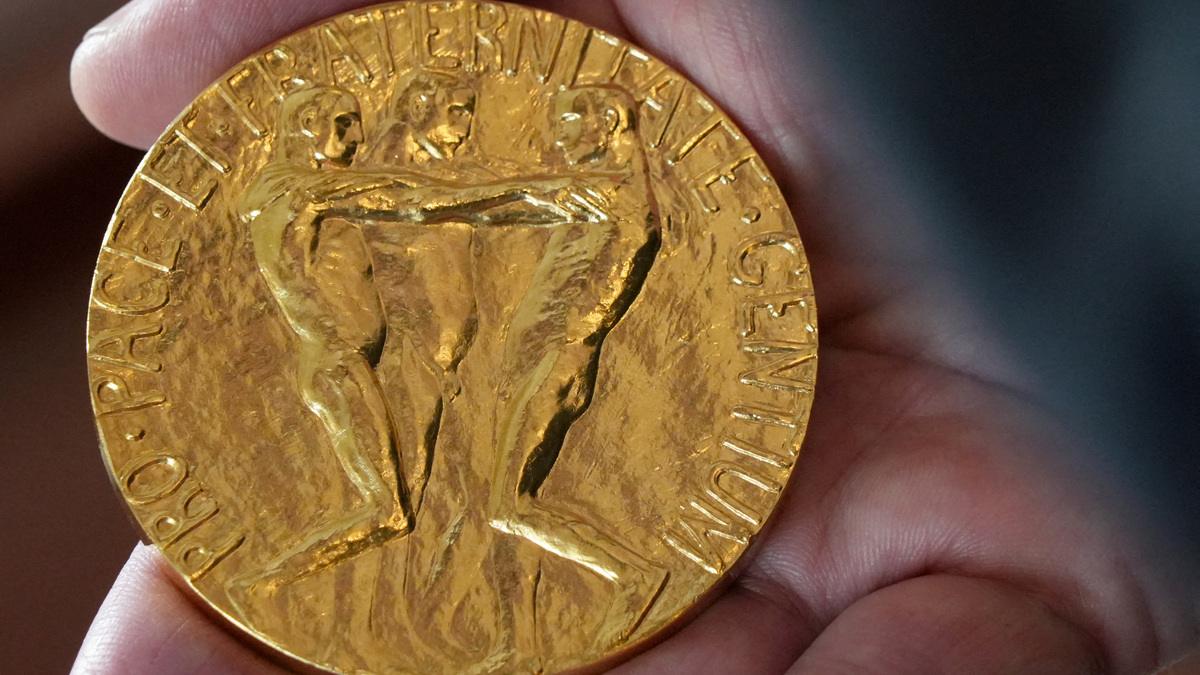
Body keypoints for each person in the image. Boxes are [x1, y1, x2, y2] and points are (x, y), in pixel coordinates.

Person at [70, 1, 1199, 673]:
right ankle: (400, 511)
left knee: (508, 431)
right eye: (349, 125)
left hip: (556, 341)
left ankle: (504, 517)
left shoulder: (600, 198)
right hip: (345, 343)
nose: (382, 128)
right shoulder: (296, 194)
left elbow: (473, 205)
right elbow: (419, 207)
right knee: (398, 429)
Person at [228, 84, 589, 614]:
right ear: (306, 125)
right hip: (336, 365)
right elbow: (410, 199)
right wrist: (538, 192)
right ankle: (259, 587)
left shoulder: (315, 190)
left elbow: (417, 188)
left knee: (400, 506)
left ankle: (296, 596)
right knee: (387, 513)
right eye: (344, 123)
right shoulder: (293, 190)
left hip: (359, 364)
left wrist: (534, 194)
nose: (357, 136)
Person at [486, 85, 667, 658]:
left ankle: (630, 574)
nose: (557, 136)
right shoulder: (610, 195)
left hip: (556, 366)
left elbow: (502, 202)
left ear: (608, 123)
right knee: (508, 509)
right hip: (534, 365)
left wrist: (387, 200)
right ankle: (519, 647)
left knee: (507, 507)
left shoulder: (611, 196)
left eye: (568, 121)